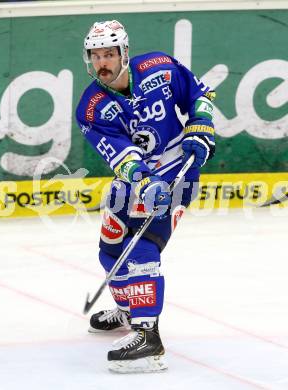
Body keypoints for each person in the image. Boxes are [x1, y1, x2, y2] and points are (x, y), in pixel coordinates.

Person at [76, 20, 216, 373]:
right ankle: (129, 309)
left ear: (125, 53)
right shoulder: (91, 107)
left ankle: (147, 334)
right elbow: (119, 155)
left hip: (177, 172)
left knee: (142, 245)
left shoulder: (160, 67)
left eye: (109, 54)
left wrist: (201, 127)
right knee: (110, 244)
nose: (102, 63)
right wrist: (143, 180)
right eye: (96, 56)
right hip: (137, 179)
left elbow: (200, 95)